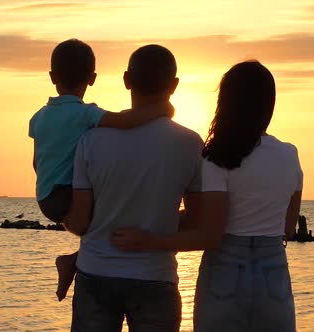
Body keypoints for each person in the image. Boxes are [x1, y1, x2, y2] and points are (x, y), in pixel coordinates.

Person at [111, 61, 303, 332]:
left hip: (225, 268)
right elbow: (288, 228)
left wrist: (147, 239)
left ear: (226, 102)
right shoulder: (289, 154)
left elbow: (209, 232)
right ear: (268, 103)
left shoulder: (217, 157)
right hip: (273, 269)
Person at [62, 44, 206, 332]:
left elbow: (79, 222)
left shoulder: (91, 140)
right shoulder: (190, 143)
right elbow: (197, 221)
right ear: (174, 86)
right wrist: (157, 226)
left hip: (95, 273)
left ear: (126, 80)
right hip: (155, 276)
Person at [28, 39, 172, 301]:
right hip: (67, 193)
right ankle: (71, 261)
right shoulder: (86, 114)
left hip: (46, 195)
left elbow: (36, 162)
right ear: (92, 78)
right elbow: (124, 121)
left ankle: (73, 261)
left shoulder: (38, 116)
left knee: (104, 227)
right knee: (119, 218)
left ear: (52, 77)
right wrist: (160, 111)